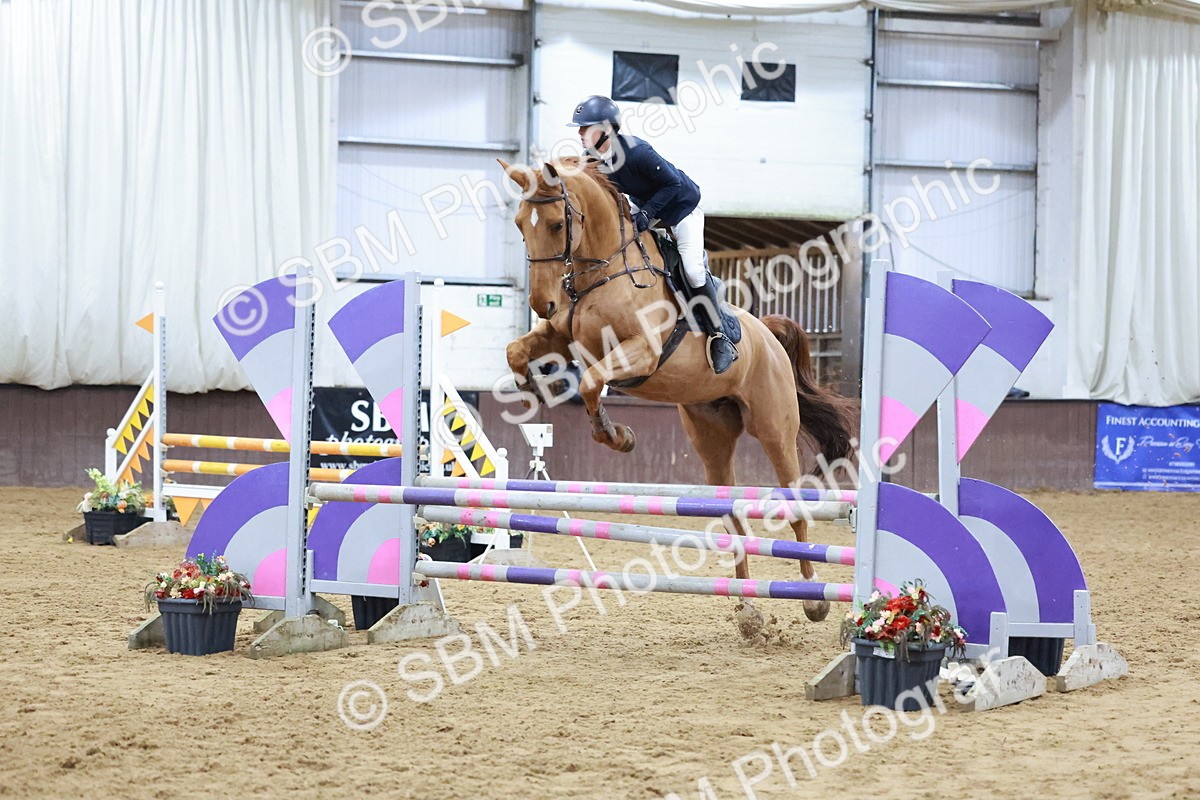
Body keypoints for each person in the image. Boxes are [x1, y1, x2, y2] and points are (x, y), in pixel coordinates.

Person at [567, 94, 738, 374]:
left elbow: (671, 184)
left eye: (586, 127)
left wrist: (647, 214)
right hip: (645, 203)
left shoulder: (637, 151)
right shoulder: (592, 159)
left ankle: (720, 335)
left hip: (682, 206)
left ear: (606, 129)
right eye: (580, 128)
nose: (580, 133)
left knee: (693, 272)